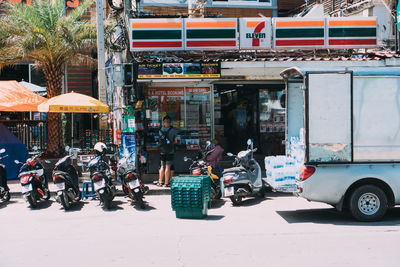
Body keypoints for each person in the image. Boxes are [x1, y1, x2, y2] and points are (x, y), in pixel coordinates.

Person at [157, 116, 177, 187]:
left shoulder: (160, 130)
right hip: (170, 150)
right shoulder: (173, 130)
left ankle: (160, 182)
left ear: (163, 122)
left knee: (162, 166)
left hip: (162, 150)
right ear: (170, 122)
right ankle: (166, 183)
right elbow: (176, 141)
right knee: (168, 167)